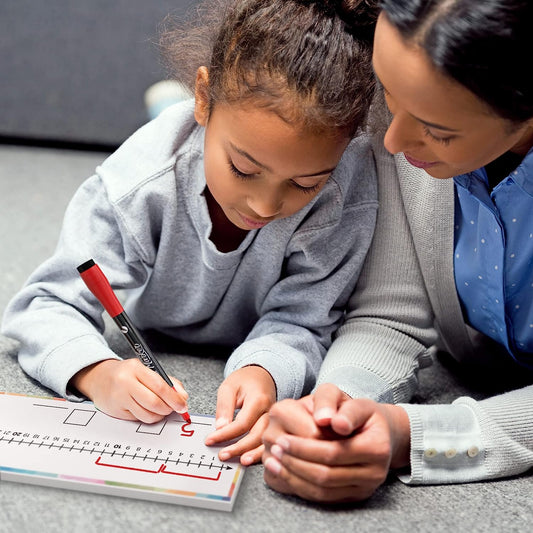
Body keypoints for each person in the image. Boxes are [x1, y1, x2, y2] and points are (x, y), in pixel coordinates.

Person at [1, 0, 379, 467]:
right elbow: (44, 304)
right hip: (165, 236)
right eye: (244, 168)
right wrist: (97, 373)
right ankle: (169, 110)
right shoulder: (136, 185)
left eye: (304, 183)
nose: (264, 206)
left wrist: (266, 370)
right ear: (205, 97)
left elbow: (306, 319)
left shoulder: (347, 186)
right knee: (173, 151)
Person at [262, 0, 533, 501]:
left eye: (437, 129)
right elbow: (391, 315)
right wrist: (340, 407)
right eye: (387, 94)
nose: (392, 141)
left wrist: (413, 436)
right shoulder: (405, 131)